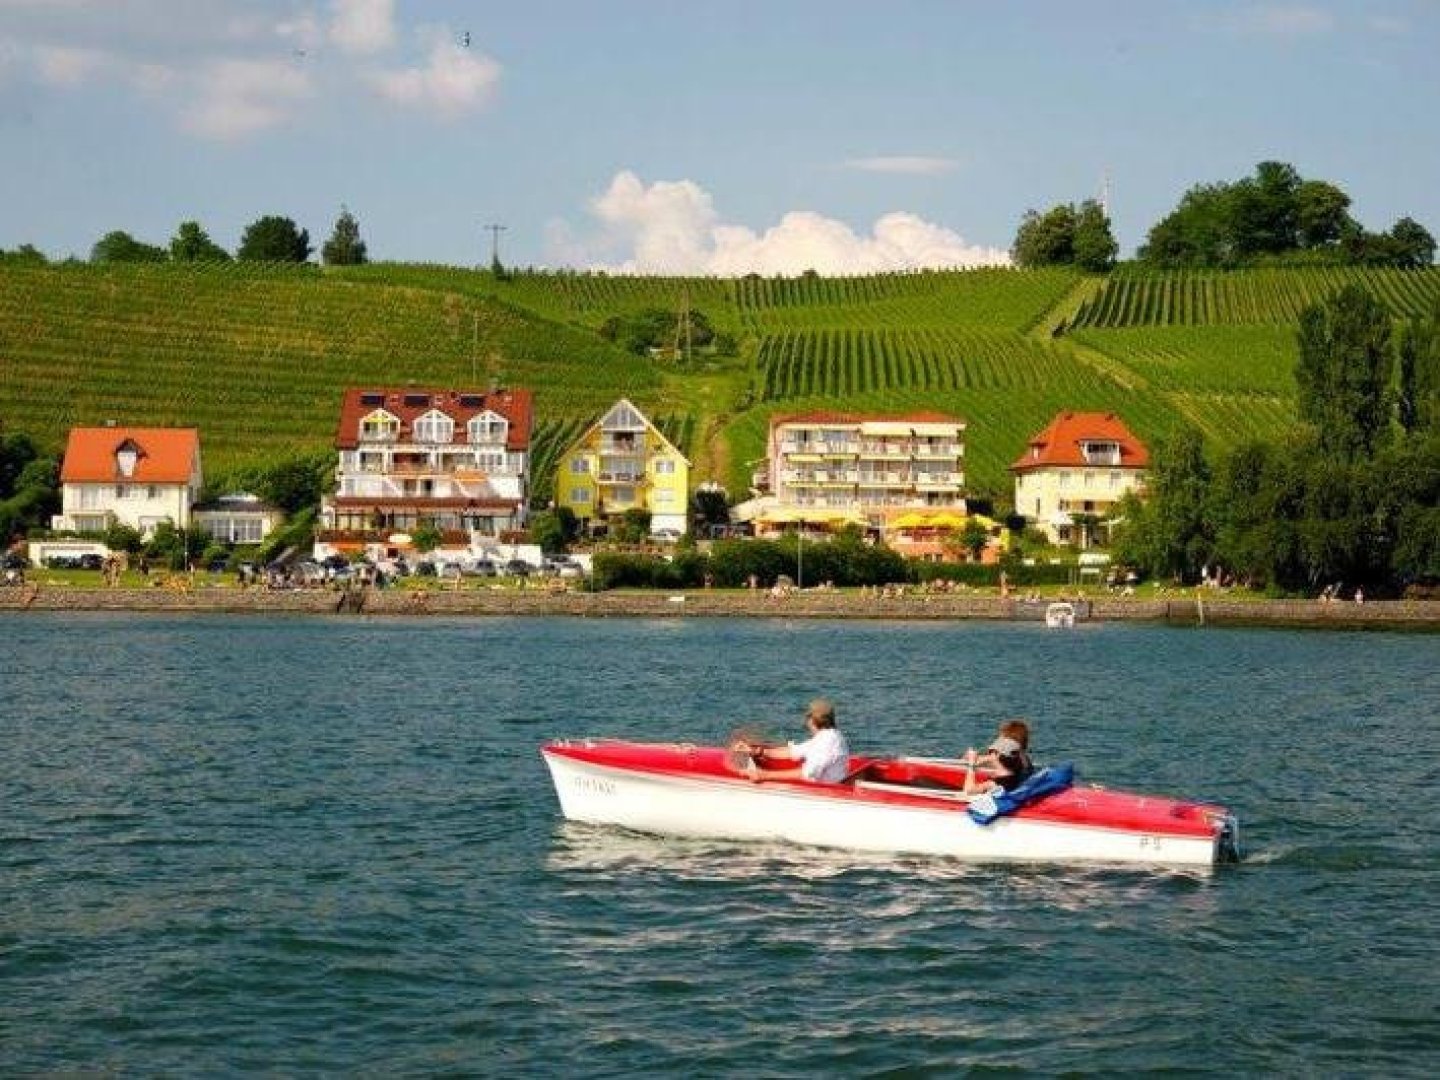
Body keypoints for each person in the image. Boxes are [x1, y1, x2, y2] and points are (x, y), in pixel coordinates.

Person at [738, 698, 850, 783]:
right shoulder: (830, 736)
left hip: (825, 793)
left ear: (812, 721)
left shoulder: (825, 743)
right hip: (828, 787)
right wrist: (758, 751)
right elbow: (792, 752)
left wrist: (764, 775)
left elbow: (807, 774)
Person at [961, 719, 1035, 795]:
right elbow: (998, 760)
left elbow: (968, 791)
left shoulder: (999, 782)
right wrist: (979, 758)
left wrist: (971, 766)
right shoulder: (1023, 762)